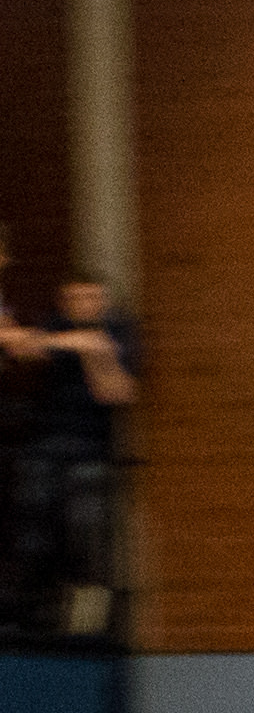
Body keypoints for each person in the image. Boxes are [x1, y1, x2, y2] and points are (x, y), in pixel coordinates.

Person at [0, 274, 138, 643]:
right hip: (48, 443)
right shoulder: (57, 324)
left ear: (104, 301)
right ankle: (30, 611)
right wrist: (77, 342)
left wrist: (95, 351)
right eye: (76, 298)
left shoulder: (120, 332)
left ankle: (90, 618)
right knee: (32, 525)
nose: (84, 305)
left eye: (92, 298)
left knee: (86, 528)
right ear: (65, 302)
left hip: (91, 446)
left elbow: (116, 393)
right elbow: (20, 346)